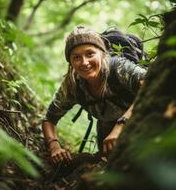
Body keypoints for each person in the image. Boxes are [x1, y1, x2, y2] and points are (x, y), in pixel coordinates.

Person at [42, 26, 147, 164]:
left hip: (143, 119)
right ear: (71, 62)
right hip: (107, 128)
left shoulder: (118, 68)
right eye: (77, 57)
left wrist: (121, 124)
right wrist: (54, 147)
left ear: (102, 54)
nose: (84, 62)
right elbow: (49, 119)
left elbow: (152, 83)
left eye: (90, 54)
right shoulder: (73, 85)